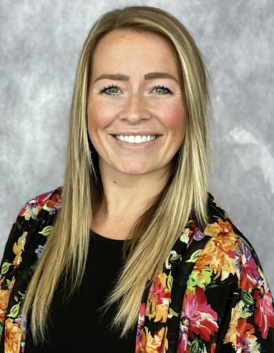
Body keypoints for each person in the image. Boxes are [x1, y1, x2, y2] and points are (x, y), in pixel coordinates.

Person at [0, 5, 273, 353]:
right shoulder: (35, 224)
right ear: (85, 106)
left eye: (159, 89)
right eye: (112, 89)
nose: (133, 112)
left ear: (189, 108)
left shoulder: (225, 264)